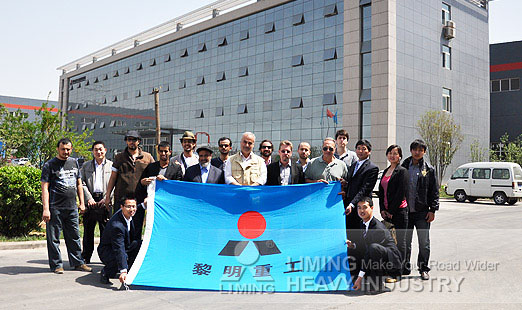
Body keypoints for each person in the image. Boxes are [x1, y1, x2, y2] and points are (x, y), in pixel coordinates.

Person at [41, 138, 92, 274]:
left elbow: (79, 184)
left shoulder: (74, 162)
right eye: (63, 149)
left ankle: (78, 262)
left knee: (74, 236)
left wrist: (82, 203)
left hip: (71, 207)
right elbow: (45, 188)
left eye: (68, 149)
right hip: (55, 207)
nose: (66, 152)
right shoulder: (49, 165)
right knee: (54, 238)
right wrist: (46, 209)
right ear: (58, 149)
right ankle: (57, 265)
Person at [401, 139, 439, 280]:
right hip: (405, 211)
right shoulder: (403, 166)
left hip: (422, 212)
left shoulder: (429, 169)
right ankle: (404, 267)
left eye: (420, 150)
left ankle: (423, 268)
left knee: (424, 242)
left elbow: (434, 191)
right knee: (405, 241)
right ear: (411, 151)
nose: (417, 152)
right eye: (415, 149)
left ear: (424, 152)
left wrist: (433, 210)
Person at [346, 197, 402, 291]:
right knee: (352, 249)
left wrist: (360, 277)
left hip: (392, 263)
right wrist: (352, 245)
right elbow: (363, 243)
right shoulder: (362, 223)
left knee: (373, 248)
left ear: (371, 208)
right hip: (377, 256)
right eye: (359, 208)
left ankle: (378, 285)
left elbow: (370, 252)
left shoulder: (378, 228)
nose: (361, 210)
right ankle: (357, 276)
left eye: (364, 207)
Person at [342, 139, 379, 276]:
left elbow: (364, 189)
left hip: (361, 208)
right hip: (350, 208)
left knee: (361, 239)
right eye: (358, 148)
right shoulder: (353, 165)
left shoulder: (372, 168)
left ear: (369, 151)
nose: (361, 151)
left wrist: (353, 204)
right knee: (351, 238)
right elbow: (351, 184)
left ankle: (362, 269)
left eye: (364, 149)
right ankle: (353, 268)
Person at [135, 141, 182, 239]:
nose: (163, 154)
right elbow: (141, 185)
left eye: (165, 151)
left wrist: (166, 181)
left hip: (169, 205)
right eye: (161, 151)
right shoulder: (151, 167)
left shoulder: (176, 168)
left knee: (167, 231)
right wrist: (143, 182)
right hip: (154, 205)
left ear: (170, 152)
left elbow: (179, 187)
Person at [378, 144, 410, 276]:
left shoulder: (402, 171)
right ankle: (392, 266)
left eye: (395, 153)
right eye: (390, 153)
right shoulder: (385, 171)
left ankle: (400, 269)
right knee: (390, 241)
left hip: (399, 212)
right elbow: (380, 192)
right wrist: (382, 210)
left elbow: (400, 193)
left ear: (400, 156)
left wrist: (390, 210)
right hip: (387, 212)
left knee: (400, 242)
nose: (392, 155)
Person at [80, 141, 113, 264]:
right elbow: (81, 183)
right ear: (92, 151)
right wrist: (88, 198)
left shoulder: (111, 166)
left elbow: (114, 184)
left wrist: (107, 198)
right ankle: (86, 256)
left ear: (105, 150)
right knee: (88, 231)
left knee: (106, 231)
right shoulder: (86, 166)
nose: (98, 152)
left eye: (100, 149)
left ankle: (106, 257)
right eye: (95, 150)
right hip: (91, 200)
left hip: (105, 201)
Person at [98, 196, 142, 285]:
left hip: (124, 245)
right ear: (121, 207)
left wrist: (144, 204)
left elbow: (139, 208)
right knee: (121, 256)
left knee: (139, 244)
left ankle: (130, 269)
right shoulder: (117, 226)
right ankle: (106, 272)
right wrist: (123, 270)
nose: (132, 209)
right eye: (128, 206)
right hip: (108, 251)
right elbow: (119, 248)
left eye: (134, 206)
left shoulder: (128, 213)